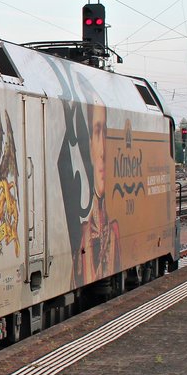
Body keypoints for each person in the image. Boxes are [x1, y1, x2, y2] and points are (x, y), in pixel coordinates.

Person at [76, 102, 120, 285]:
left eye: (106, 134)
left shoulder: (114, 231)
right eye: (96, 132)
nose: (102, 150)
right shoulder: (83, 233)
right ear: (89, 145)